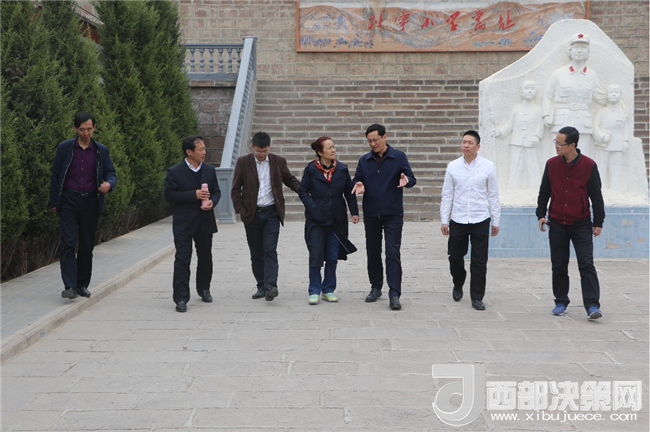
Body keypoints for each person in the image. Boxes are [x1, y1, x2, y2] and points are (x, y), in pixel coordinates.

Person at [536, 126, 605, 320]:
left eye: (560, 144)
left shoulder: (588, 165)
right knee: (558, 264)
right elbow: (544, 192)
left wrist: (598, 222)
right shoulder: (551, 164)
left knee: (586, 263)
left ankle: (592, 305)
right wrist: (540, 214)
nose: (556, 146)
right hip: (557, 222)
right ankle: (560, 301)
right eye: (555, 142)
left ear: (572, 145)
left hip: (581, 223)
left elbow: (596, 196)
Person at [49, 111, 117, 300]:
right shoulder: (65, 148)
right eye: (82, 129)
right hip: (69, 200)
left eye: (89, 129)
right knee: (68, 243)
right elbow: (56, 176)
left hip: (90, 202)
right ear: (75, 129)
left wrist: (109, 184)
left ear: (94, 128)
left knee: (87, 245)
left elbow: (111, 173)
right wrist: (54, 201)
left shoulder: (101, 151)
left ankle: (82, 284)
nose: (86, 133)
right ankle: (70, 286)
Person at [351, 124, 416, 310]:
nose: (373, 144)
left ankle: (394, 293)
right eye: (369, 141)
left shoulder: (398, 157)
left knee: (392, 252)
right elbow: (356, 179)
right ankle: (376, 286)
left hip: (393, 213)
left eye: (375, 140)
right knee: (373, 251)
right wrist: (359, 183)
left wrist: (406, 181)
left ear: (384, 137)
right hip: (372, 213)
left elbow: (411, 179)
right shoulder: (364, 160)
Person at [231, 131, 300, 301]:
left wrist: (304, 189)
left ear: (269, 147)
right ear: (252, 147)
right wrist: (240, 210)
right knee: (256, 252)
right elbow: (235, 188)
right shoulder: (243, 162)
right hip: (252, 214)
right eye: (258, 151)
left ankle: (271, 286)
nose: (262, 155)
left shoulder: (278, 161)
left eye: (265, 151)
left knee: (270, 249)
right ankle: (261, 286)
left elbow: (289, 179)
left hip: (271, 213)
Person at [440, 130, 501, 311]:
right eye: (464, 142)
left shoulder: (488, 166)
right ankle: (458, 283)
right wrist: (444, 220)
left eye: (470, 143)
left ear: (478, 146)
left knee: (479, 261)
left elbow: (493, 194)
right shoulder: (453, 166)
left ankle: (477, 297)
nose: (465, 145)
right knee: (455, 257)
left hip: (480, 218)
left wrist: (496, 220)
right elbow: (447, 195)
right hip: (458, 218)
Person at [298, 137, 359, 305]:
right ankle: (314, 290)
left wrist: (354, 212)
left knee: (332, 257)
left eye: (333, 147)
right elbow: (303, 191)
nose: (333, 150)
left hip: (336, 220)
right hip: (316, 219)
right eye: (329, 148)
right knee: (316, 255)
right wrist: (314, 208)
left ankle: (328, 289)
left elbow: (349, 192)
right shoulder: (311, 169)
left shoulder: (342, 169)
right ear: (320, 152)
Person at [164, 135, 221, 313]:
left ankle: (204, 289)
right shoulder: (175, 171)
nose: (204, 152)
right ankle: (181, 297)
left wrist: (212, 201)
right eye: (201, 149)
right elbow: (169, 195)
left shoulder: (209, 170)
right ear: (189, 152)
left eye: (204, 148)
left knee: (205, 256)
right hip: (184, 222)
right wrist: (193, 195)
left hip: (205, 220)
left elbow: (217, 191)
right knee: (183, 258)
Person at [542, 32, 606, 158]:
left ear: (588, 52)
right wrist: (547, 115)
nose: (579, 51)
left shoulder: (591, 75)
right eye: (576, 47)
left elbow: (601, 97)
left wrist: (615, 100)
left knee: (583, 156)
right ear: (570, 51)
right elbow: (547, 96)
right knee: (557, 157)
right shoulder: (559, 74)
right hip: (561, 120)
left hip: (583, 121)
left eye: (583, 48)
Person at [494, 80, 544, 191]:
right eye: (526, 88)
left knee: (533, 166)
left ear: (536, 92)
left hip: (531, 142)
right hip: (516, 141)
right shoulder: (516, 109)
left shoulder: (538, 110)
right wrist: (500, 132)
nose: (529, 91)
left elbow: (540, 126)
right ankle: (512, 189)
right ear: (521, 93)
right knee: (515, 165)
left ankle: (535, 189)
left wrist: (537, 137)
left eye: (532, 89)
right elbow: (510, 124)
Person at [593, 83, 629, 191]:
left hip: (618, 143)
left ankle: (616, 190)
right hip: (603, 144)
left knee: (616, 167)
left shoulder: (622, 112)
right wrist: (602, 137)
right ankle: (601, 189)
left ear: (620, 95)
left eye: (616, 92)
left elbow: (625, 127)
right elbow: (595, 127)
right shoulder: (602, 112)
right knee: (601, 167)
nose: (614, 95)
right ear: (607, 95)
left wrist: (625, 141)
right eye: (611, 92)